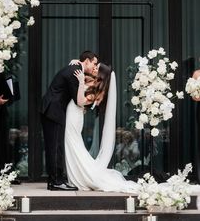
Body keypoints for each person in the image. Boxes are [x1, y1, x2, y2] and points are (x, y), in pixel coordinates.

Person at [64, 63, 138, 192]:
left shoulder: (96, 91)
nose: (94, 68)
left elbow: (81, 101)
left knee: (73, 144)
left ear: (101, 74)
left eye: (96, 68)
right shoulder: (92, 82)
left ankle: (81, 177)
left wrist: (81, 82)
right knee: (72, 145)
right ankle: (75, 176)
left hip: (74, 117)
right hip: (72, 114)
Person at [39, 50, 98, 191]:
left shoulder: (75, 68)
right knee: (55, 147)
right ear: (87, 61)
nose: (94, 66)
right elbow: (78, 101)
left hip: (52, 110)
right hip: (53, 111)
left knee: (55, 146)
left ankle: (55, 179)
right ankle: (56, 182)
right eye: (94, 63)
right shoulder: (76, 72)